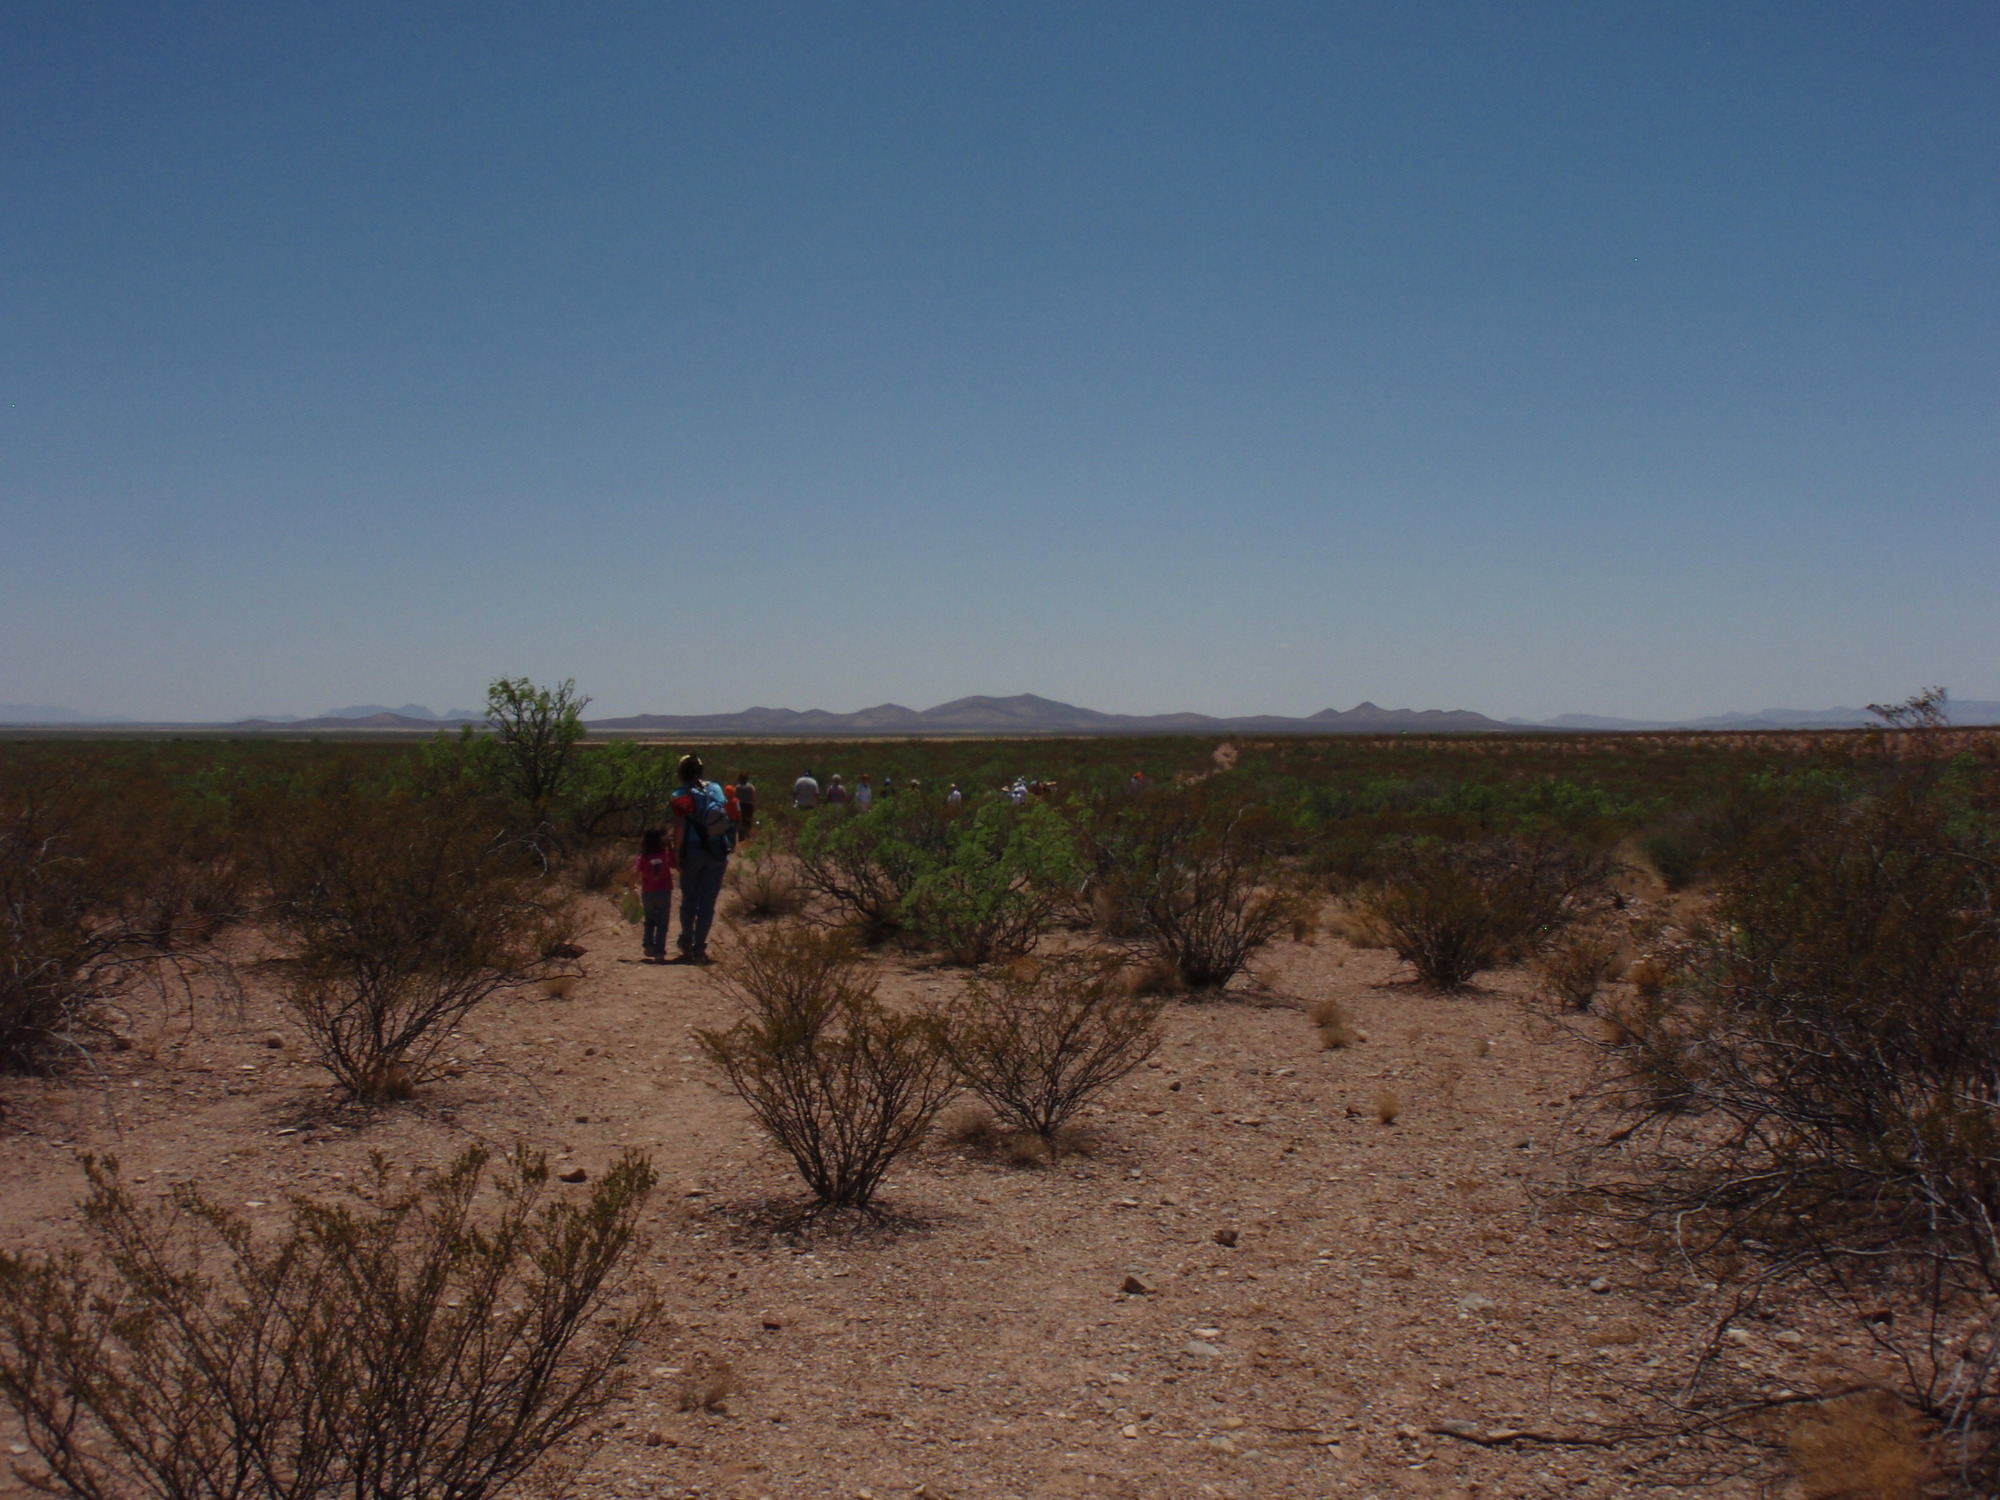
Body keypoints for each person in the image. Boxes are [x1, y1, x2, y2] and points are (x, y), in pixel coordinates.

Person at [669, 754, 734, 964]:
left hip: (692, 850)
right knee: (707, 902)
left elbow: (680, 827)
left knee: (689, 898)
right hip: (717, 848)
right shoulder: (715, 788)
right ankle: (700, 948)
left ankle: (687, 939)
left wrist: (677, 854)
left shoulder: (680, 794)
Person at [631, 827, 676, 963]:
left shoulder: (643, 857)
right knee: (662, 923)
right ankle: (659, 952)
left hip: (648, 892)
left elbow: (635, 871)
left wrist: (631, 884)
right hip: (663, 892)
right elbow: (674, 865)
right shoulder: (666, 854)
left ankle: (648, 945)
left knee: (649, 920)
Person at [734, 770, 758, 839]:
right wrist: (755, 808)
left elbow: (735, 798)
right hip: (749, 806)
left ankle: (741, 838)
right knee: (748, 822)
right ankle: (748, 837)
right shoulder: (751, 787)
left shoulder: (737, 787)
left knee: (740, 823)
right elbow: (754, 798)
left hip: (740, 806)